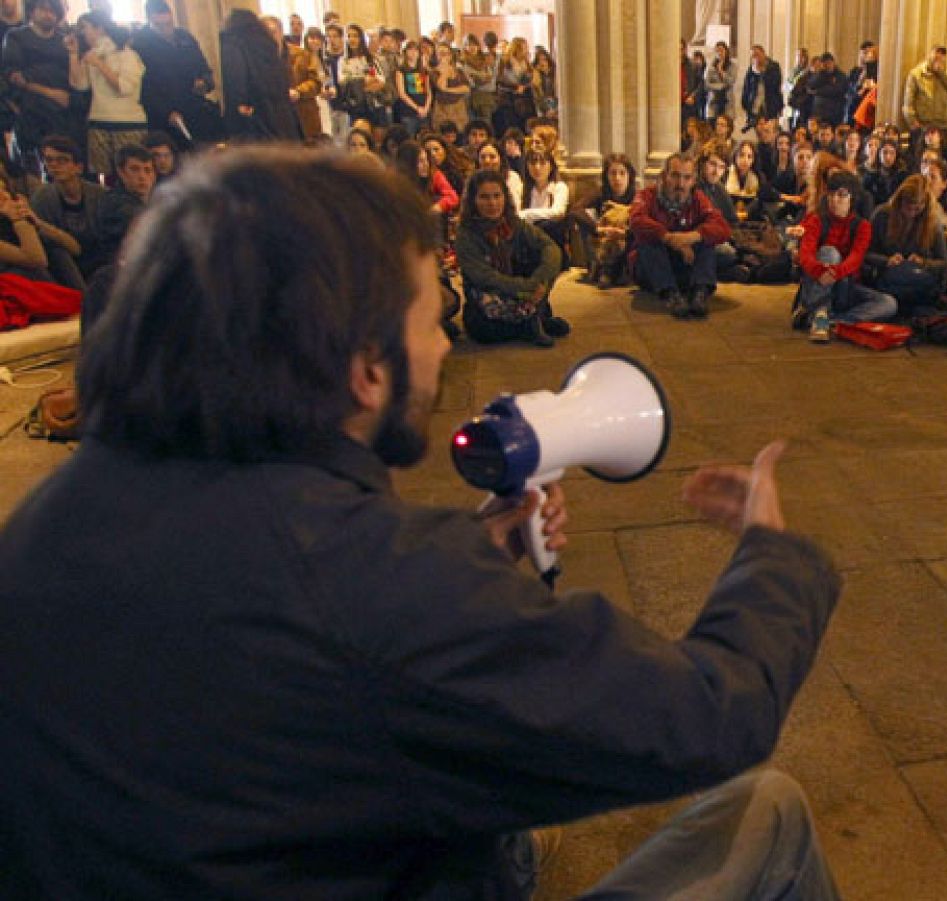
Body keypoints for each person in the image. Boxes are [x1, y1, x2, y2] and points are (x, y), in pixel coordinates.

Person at [0, 148, 844, 899]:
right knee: (765, 813)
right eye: (430, 322)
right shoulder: (370, 581)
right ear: (365, 369)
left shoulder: (48, 521)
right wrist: (773, 557)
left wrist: (470, 560)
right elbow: (708, 714)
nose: (442, 350)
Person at [456, 168, 568, 346]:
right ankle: (530, 323)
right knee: (484, 331)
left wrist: (539, 281)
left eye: (497, 196)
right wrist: (526, 287)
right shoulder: (466, 234)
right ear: (473, 201)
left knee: (540, 258)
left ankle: (532, 319)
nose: (492, 203)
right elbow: (485, 277)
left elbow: (550, 247)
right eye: (484, 197)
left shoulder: (514, 223)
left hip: (524, 291)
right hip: (492, 294)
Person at [794, 170, 895, 342]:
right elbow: (806, 254)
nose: (835, 200)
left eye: (841, 195)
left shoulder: (862, 226)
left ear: (852, 198)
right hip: (818, 282)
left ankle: (834, 321)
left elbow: (856, 258)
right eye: (831, 194)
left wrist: (835, 273)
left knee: (888, 303)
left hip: (845, 285)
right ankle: (819, 313)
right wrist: (821, 271)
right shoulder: (817, 220)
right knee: (829, 252)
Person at [630, 151, 730, 320]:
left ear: (693, 180)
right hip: (651, 269)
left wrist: (693, 236)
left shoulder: (698, 198)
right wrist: (669, 238)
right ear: (664, 176)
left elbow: (722, 227)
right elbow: (636, 221)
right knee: (649, 243)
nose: (681, 183)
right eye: (675, 176)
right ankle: (671, 294)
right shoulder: (647, 196)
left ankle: (700, 292)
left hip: (684, 265)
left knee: (708, 242)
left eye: (687, 177)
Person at [129, 0, 220, 148]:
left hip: (194, 107)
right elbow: (144, 87)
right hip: (164, 115)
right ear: (149, 20)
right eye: (160, 26)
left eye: (169, 24)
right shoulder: (140, 45)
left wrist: (205, 82)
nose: (166, 30)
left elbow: (204, 68)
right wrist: (166, 112)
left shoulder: (185, 38)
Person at [71, 11, 147, 176]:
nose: (82, 33)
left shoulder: (127, 55)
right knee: (103, 177)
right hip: (98, 121)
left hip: (127, 124)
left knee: (131, 175)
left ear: (101, 29)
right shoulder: (92, 55)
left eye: (85, 27)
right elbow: (80, 85)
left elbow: (124, 87)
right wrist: (72, 54)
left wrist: (99, 64)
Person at [862, 174, 947, 314]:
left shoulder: (932, 222)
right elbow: (865, 253)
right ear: (899, 201)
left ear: (925, 205)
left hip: (918, 284)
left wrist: (923, 262)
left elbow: (944, 263)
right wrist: (886, 261)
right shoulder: (882, 216)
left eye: (917, 208)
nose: (912, 213)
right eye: (908, 207)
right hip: (889, 282)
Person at [2, 0, 72, 172]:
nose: (48, 15)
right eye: (43, 10)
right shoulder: (16, 37)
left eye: (52, 11)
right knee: (30, 171)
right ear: (32, 12)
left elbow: (71, 76)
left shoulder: (64, 40)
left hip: (61, 116)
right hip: (30, 113)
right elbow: (13, 76)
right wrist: (51, 92)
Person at [30, 134, 103, 284]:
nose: (54, 165)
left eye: (62, 160)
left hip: (98, 255)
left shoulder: (100, 195)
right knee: (58, 253)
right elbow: (46, 241)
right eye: (49, 160)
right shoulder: (42, 197)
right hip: (65, 259)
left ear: (79, 167)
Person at [219, 9, 299, 141]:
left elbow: (236, 83)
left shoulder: (233, 45)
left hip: (256, 120)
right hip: (282, 117)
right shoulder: (267, 44)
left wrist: (239, 106)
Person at [573, 152, 637, 288]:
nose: (617, 178)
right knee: (585, 226)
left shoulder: (636, 196)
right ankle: (604, 270)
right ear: (606, 176)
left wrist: (623, 233)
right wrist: (598, 228)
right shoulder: (601, 193)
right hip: (603, 240)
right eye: (612, 173)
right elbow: (575, 210)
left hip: (625, 240)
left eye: (622, 173)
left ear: (629, 176)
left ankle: (612, 272)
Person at [92, 144, 155, 264]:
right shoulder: (113, 202)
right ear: (121, 172)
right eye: (135, 169)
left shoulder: (151, 201)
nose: (142, 176)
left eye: (148, 170)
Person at [902, 46, 947, 150]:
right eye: (936, 54)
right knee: (919, 154)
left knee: (941, 156)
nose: (939, 57)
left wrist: (942, 73)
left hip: (941, 125)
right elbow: (908, 101)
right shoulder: (917, 74)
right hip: (922, 124)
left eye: (942, 55)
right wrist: (912, 121)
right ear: (929, 55)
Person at [741, 44, 783, 132]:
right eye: (753, 56)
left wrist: (762, 72)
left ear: (763, 54)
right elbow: (746, 87)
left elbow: (775, 84)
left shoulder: (774, 66)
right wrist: (745, 103)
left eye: (757, 54)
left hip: (770, 104)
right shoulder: (751, 69)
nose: (756, 57)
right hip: (755, 106)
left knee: (770, 131)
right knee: (758, 130)